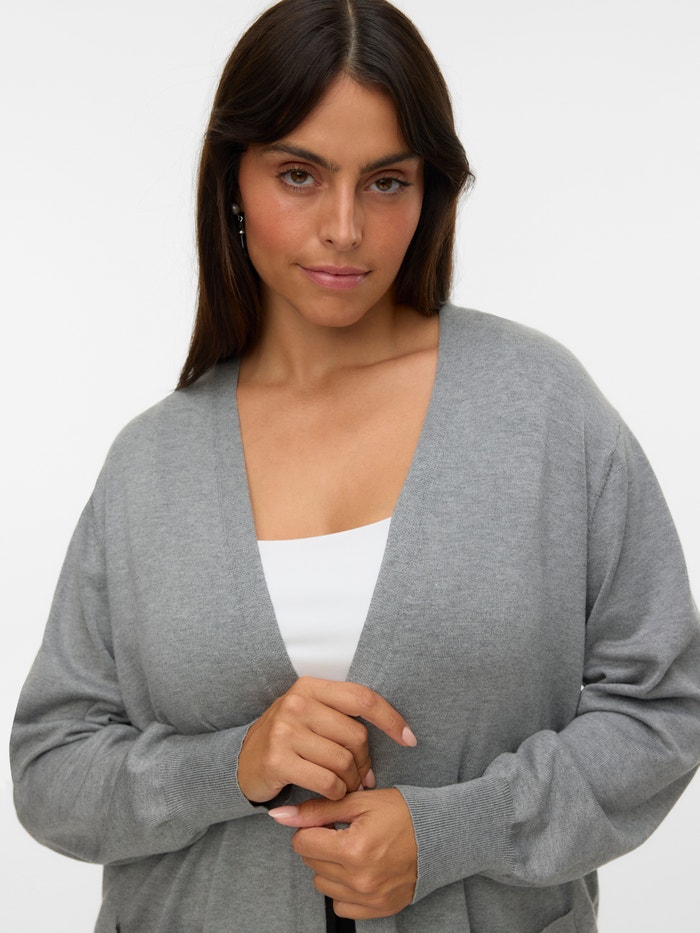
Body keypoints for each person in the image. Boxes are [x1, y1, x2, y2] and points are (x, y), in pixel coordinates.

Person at [10, 0, 700, 930]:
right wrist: (232, 764)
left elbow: (664, 706)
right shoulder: (150, 463)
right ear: (232, 182)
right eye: (299, 174)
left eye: (385, 182)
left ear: (430, 192)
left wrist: (458, 830)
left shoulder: (543, 408)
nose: (344, 227)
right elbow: (50, 768)